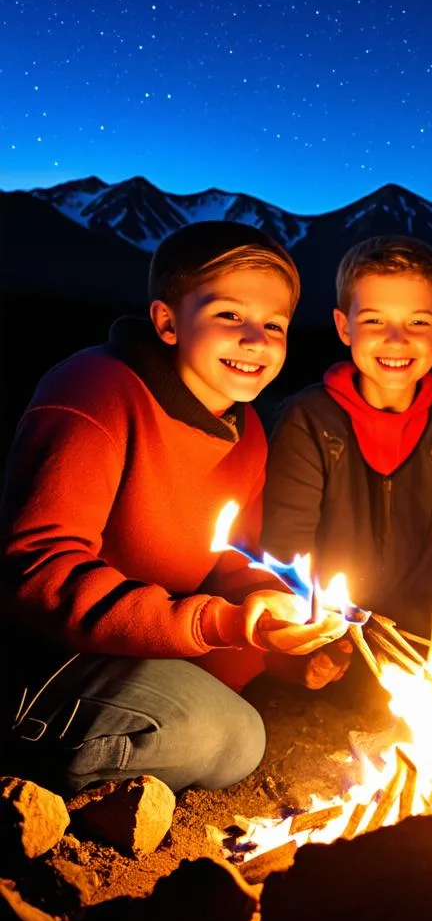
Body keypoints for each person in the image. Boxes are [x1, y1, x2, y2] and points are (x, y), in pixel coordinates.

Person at [0, 221, 348, 795]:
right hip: (40, 660)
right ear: (167, 321)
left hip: (131, 653)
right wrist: (216, 623)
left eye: (274, 325)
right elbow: (38, 572)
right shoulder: (96, 391)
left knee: (235, 731)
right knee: (217, 732)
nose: (256, 340)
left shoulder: (248, 433)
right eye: (230, 316)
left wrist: (280, 636)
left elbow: (233, 567)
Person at [261, 235, 432, 654]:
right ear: (343, 326)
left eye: (417, 323)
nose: (396, 339)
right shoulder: (309, 421)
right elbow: (287, 550)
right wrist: (310, 643)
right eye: (373, 321)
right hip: (329, 632)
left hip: (425, 636)